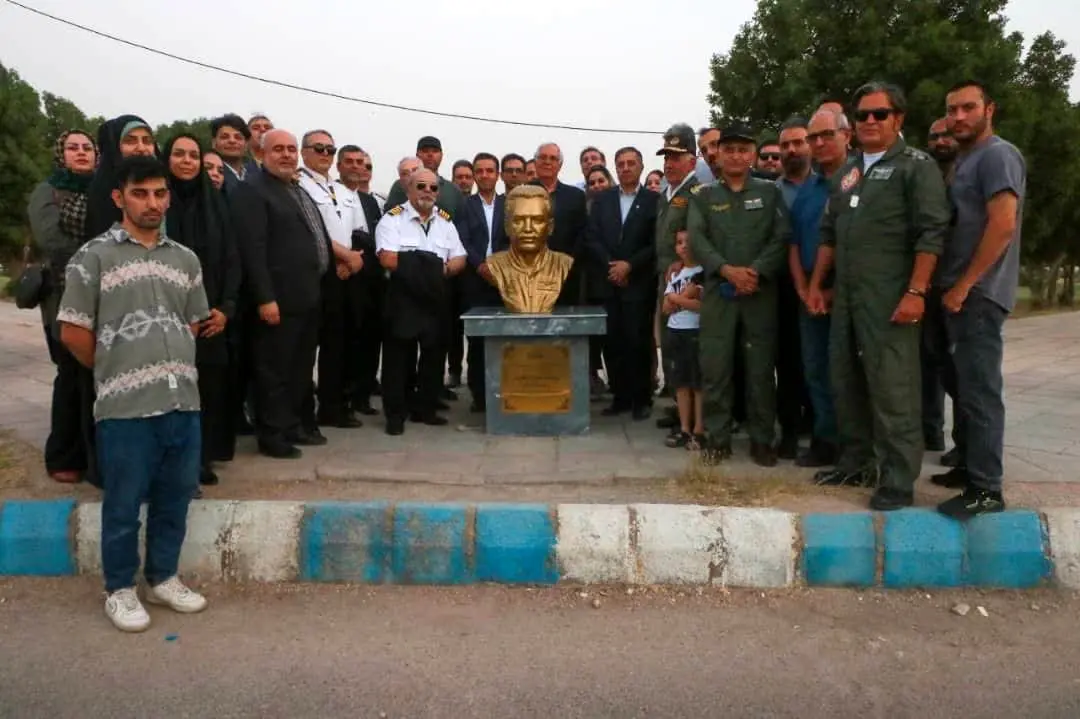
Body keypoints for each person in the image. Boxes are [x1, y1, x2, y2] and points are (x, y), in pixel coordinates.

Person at [57, 155, 210, 633]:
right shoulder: (94, 257)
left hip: (182, 402)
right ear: (119, 197)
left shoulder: (185, 258)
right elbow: (73, 332)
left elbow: (191, 322)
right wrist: (118, 370)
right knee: (123, 505)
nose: (152, 203)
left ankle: (162, 577)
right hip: (125, 408)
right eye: (140, 193)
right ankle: (119, 589)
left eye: (160, 193)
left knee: (175, 497)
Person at [806, 81, 950, 511]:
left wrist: (916, 291)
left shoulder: (914, 166)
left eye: (879, 114)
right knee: (845, 380)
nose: (870, 121)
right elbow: (829, 233)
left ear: (898, 119)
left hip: (891, 297)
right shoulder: (849, 171)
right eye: (863, 115)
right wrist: (817, 285)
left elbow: (932, 233)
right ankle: (857, 462)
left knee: (893, 389)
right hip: (847, 298)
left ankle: (898, 479)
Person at [930, 81, 1025, 518]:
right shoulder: (967, 160)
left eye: (968, 107)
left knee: (981, 391)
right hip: (956, 294)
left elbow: (1003, 224)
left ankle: (986, 489)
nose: (959, 116)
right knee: (962, 388)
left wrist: (966, 284)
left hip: (979, 295)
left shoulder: (998, 155)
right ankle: (967, 467)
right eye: (953, 110)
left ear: (990, 109)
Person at [688, 122, 790, 467]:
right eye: (728, 149)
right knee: (716, 367)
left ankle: (763, 440)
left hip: (759, 293)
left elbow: (781, 237)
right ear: (717, 153)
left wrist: (756, 271)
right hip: (719, 292)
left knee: (760, 370)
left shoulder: (769, 192)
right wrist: (727, 270)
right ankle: (718, 439)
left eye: (743, 150)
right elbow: (697, 240)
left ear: (752, 155)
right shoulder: (703, 196)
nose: (735, 155)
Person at [231, 129, 334, 459]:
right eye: (279, 149)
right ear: (261, 154)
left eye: (291, 149)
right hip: (277, 300)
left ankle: (290, 426)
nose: (287, 155)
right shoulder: (253, 191)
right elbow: (253, 249)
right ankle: (271, 435)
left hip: (305, 297)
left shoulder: (294, 188)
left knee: (298, 370)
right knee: (273, 371)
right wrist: (265, 298)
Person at [163, 134, 242, 488]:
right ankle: (170, 463)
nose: (186, 161)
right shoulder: (158, 205)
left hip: (210, 316)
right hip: (167, 318)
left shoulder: (216, 205)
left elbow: (231, 259)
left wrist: (225, 308)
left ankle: (201, 458)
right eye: (178, 154)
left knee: (208, 388)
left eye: (193, 155)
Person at [27, 129, 99, 485]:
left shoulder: (102, 190)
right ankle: (64, 455)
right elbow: (51, 241)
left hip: (100, 298)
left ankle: (92, 453)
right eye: (73, 148)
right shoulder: (49, 191)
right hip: (61, 296)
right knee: (70, 374)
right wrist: (98, 264)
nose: (81, 153)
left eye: (87, 148)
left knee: (93, 378)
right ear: (61, 154)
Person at [376, 168, 467, 435]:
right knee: (398, 362)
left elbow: (459, 259)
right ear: (409, 189)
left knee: (433, 358)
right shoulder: (392, 220)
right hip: (403, 300)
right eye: (421, 186)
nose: (428, 192)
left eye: (433, 188)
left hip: (436, 300)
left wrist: (427, 266)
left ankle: (425, 409)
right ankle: (395, 415)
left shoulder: (445, 222)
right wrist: (433, 267)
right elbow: (388, 259)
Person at [788, 108, 852, 468]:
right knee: (816, 369)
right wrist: (804, 289)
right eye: (814, 138)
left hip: (847, 290)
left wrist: (828, 291)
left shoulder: (860, 180)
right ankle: (825, 440)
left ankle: (853, 445)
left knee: (847, 372)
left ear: (847, 136)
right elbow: (793, 242)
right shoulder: (808, 190)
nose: (819, 144)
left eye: (827, 135)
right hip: (809, 291)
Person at [296, 129, 366, 429]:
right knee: (313, 346)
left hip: (346, 274)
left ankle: (335, 405)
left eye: (329, 149)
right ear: (305, 151)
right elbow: (311, 232)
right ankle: (307, 410)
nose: (325, 154)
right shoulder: (298, 184)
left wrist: (353, 261)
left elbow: (361, 230)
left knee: (342, 344)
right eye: (319, 148)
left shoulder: (342, 190)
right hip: (320, 273)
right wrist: (342, 257)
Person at [585, 147, 659, 420]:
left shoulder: (653, 200)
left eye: (631, 163)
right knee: (612, 343)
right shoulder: (602, 199)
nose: (625, 168)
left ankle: (641, 399)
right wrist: (611, 265)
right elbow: (591, 236)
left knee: (637, 341)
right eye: (620, 164)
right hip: (608, 280)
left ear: (641, 167)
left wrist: (630, 265)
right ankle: (620, 397)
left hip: (637, 283)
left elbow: (655, 242)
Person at [653, 123, 700, 435]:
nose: (669, 162)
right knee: (670, 348)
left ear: (692, 161)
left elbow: (697, 238)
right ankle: (678, 408)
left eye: (676, 156)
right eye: (666, 156)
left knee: (688, 354)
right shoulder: (666, 193)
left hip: (687, 283)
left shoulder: (695, 192)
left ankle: (695, 422)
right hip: (666, 279)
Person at [460, 152, 508, 412]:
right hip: (475, 280)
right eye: (480, 171)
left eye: (490, 170)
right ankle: (479, 396)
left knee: (502, 339)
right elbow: (463, 239)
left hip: (503, 281)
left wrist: (498, 267)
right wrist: (480, 265)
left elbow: (513, 240)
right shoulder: (465, 205)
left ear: (497, 175)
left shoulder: (508, 204)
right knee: (477, 341)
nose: (485, 175)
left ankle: (502, 392)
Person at [661, 230, 704, 449]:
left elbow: (702, 305)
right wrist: (680, 298)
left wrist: (677, 299)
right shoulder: (675, 273)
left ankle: (699, 428)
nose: (684, 246)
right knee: (680, 383)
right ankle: (685, 427)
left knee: (697, 383)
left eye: (689, 242)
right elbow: (665, 307)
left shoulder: (702, 272)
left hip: (694, 331)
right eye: (679, 242)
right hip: (674, 331)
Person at [85, 115, 156, 239]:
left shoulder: (166, 184)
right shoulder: (102, 190)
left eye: (146, 141)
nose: (141, 148)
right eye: (130, 141)